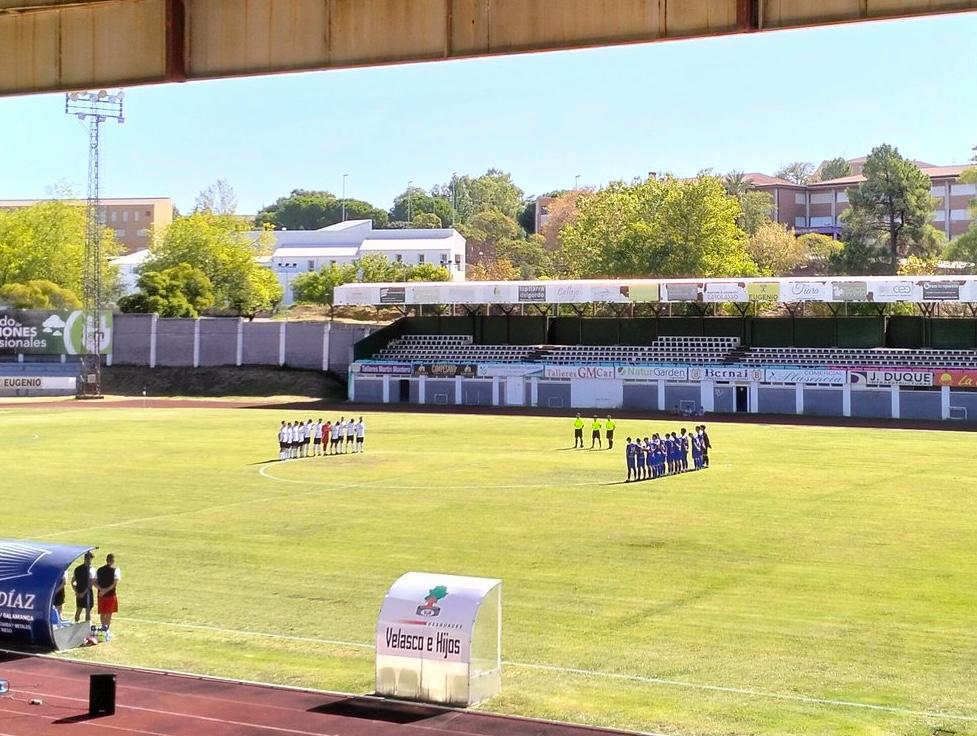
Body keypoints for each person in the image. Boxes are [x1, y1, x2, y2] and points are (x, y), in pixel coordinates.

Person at [96, 553, 120, 638]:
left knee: (102, 613)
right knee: (109, 613)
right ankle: (106, 631)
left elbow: (94, 582)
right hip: (110, 595)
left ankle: (103, 628)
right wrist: (106, 590)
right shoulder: (116, 570)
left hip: (101, 595)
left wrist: (101, 590)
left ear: (106, 560)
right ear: (113, 560)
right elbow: (114, 584)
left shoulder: (99, 570)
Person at [72, 551, 95, 623]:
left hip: (79, 592)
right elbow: (90, 584)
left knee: (78, 610)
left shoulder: (77, 569)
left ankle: (76, 624)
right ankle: (87, 628)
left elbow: (73, 582)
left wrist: (76, 591)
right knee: (87, 611)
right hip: (87, 593)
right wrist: (83, 593)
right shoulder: (91, 570)